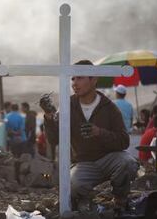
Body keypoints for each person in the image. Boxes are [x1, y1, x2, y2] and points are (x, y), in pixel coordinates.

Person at [43, 60, 138, 210]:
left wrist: (99, 133)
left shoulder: (109, 107)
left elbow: (124, 141)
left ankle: (120, 199)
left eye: (79, 78)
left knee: (128, 163)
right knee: (71, 185)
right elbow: (54, 139)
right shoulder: (68, 106)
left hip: (109, 159)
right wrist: (49, 117)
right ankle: (92, 200)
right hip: (83, 163)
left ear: (93, 80)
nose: (74, 83)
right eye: (72, 78)